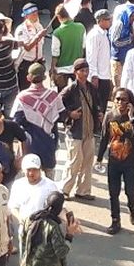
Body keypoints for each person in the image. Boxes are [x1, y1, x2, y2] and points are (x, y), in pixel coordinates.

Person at [95, 87, 134, 235]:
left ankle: (133, 208)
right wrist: (99, 157)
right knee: (113, 192)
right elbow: (104, 138)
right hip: (114, 160)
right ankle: (115, 220)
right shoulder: (110, 116)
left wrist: (131, 117)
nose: (120, 102)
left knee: (130, 191)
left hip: (130, 161)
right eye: (117, 99)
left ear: (130, 102)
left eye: (124, 99)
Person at [19, 191, 81, 266]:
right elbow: (62, 252)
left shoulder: (30, 219)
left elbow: (23, 241)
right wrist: (69, 234)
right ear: (59, 209)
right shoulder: (53, 227)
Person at [58, 59, 100, 201]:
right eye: (82, 70)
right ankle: (65, 189)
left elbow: (96, 104)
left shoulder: (92, 88)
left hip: (89, 130)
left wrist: (98, 114)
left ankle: (83, 190)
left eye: (86, 70)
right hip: (75, 131)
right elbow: (58, 106)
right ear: (75, 72)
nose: (85, 73)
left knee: (88, 162)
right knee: (74, 161)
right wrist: (70, 114)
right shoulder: (70, 89)